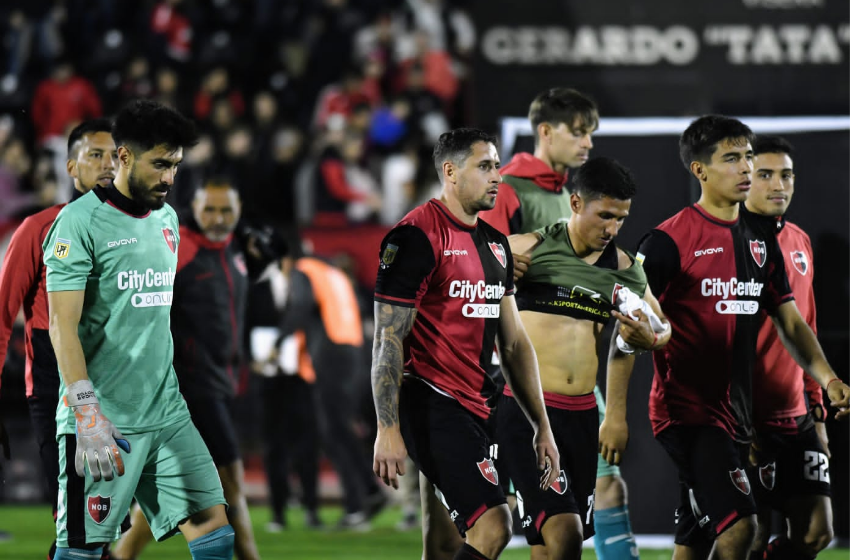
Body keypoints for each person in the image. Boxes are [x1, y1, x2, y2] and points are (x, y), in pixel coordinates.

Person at [601, 115, 850, 560]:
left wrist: (827, 379)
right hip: (688, 414)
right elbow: (628, 331)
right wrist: (615, 416)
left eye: (748, 157)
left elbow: (792, 323)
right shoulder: (666, 242)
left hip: (740, 416)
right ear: (700, 170)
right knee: (741, 531)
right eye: (732, 158)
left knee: (699, 540)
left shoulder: (762, 242)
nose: (746, 168)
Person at [42, 99, 234, 560]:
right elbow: (61, 326)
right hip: (104, 420)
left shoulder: (167, 219)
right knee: (82, 551)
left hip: (166, 414)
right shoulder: (78, 222)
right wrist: (87, 414)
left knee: (214, 531)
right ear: (125, 157)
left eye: (176, 165)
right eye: (161, 164)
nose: (170, 177)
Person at [372, 127, 560, 560]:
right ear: (451, 172)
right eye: (485, 166)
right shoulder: (415, 237)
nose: (497, 177)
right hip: (432, 402)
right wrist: (387, 428)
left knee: (444, 544)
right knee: (494, 526)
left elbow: (513, 344)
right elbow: (387, 338)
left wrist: (542, 426)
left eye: (497, 166)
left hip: (481, 403)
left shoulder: (496, 245)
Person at [480, 87, 640, 560]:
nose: (587, 142)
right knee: (507, 517)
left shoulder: (583, 196)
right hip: (516, 376)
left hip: (578, 382)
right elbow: (482, 264)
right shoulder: (509, 188)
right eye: (578, 132)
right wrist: (502, 259)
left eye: (591, 133)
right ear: (546, 132)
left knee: (558, 521)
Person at [500, 157, 669, 560]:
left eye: (621, 219)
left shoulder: (624, 269)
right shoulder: (526, 249)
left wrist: (650, 338)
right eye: (605, 216)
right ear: (575, 203)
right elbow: (455, 284)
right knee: (566, 534)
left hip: (581, 416)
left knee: (548, 545)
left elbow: (661, 327)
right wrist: (494, 273)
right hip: (529, 413)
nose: (612, 229)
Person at [110, 178, 259, 559]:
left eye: (226, 210)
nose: (218, 218)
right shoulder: (178, 248)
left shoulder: (236, 251)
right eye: (210, 209)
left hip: (221, 383)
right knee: (229, 481)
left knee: (177, 490)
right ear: (195, 208)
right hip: (190, 386)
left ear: (238, 211)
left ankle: (121, 555)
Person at [0, 118, 116, 560]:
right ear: (71, 166)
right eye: (95, 155)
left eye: (115, 156)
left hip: (117, 383)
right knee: (77, 521)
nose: (108, 165)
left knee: (105, 524)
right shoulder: (38, 229)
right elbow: (2, 314)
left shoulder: (137, 232)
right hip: (54, 385)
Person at [743, 136, 834, 560]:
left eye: (786, 175)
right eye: (765, 175)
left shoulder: (798, 240)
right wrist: (735, 418)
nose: (779, 185)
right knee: (750, 534)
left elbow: (805, 327)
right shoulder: (729, 241)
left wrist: (817, 411)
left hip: (796, 415)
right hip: (745, 417)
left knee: (816, 533)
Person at [273, 236, 389, 530]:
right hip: (354, 354)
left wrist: (278, 341)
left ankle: (358, 504)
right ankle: (369, 491)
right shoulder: (332, 272)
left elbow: (300, 306)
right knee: (342, 430)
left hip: (331, 356)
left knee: (335, 434)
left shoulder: (303, 270)